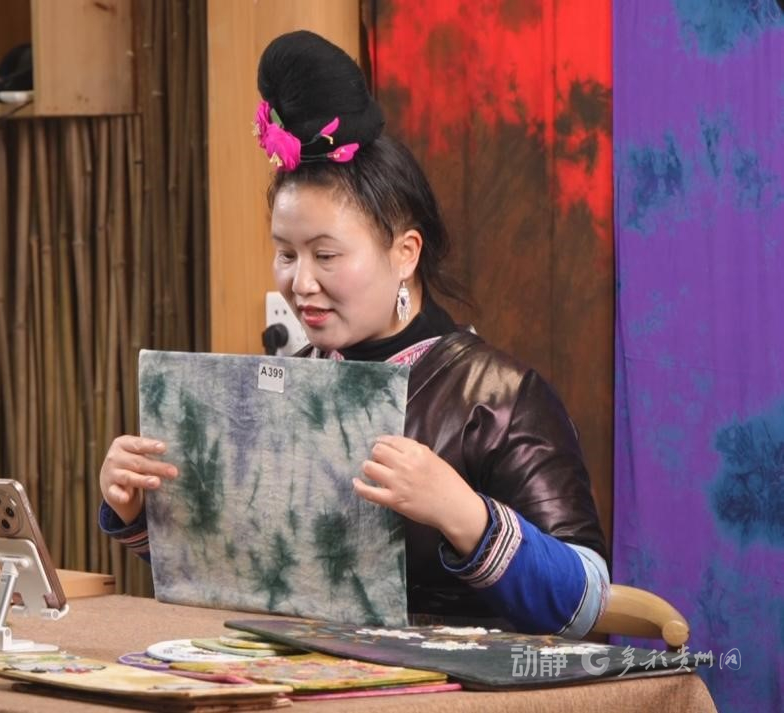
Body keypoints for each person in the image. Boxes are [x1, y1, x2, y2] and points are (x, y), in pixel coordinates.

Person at [97, 30, 609, 637]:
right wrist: (139, 508)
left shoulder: (499, 398)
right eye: (286, 253)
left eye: (326, 255)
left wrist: (464, 513)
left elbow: (589, 599)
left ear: (405, 252)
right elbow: (253, 573)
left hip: (454, 683)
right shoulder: (291, 382)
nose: (301, 282)